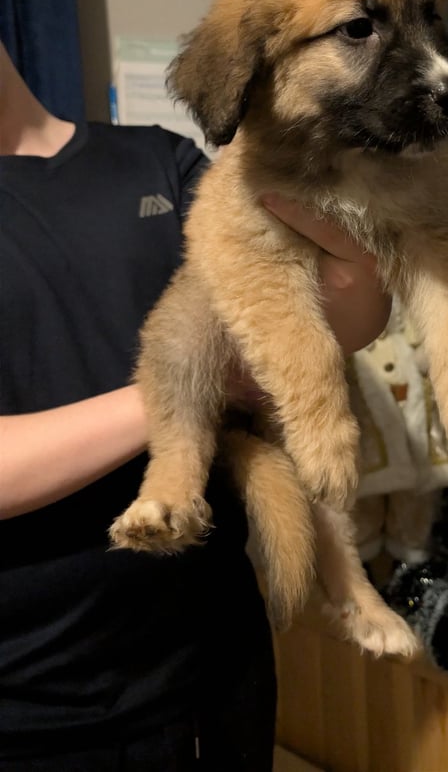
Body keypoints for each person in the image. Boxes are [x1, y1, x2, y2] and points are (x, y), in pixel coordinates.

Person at [0, 40, 390, 771]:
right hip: (31, 707)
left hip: (213, 662)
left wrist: (354, 262)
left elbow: (340, 323)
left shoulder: (157, 162)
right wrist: (185, 393)